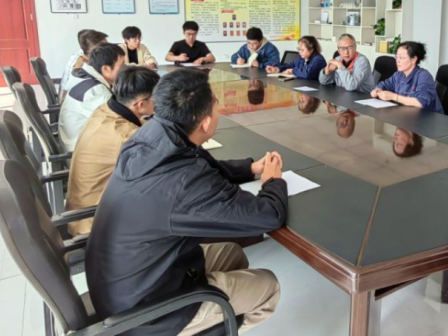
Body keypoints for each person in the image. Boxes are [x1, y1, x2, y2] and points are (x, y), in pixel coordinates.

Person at [86, 68, 287, 336]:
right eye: (216, 104)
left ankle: (213, 316)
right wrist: (273, 181)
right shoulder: (184, 181)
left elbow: (202, 166)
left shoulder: (152, 134)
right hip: (146, 314)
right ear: (205, 122)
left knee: (232, 253)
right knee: (268, 287)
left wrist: (250, 169)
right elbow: (269, 215)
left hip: (124, 283)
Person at [66, 66, 159, 236]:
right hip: (94, 222)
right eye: (158, 98)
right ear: (141, 104)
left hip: (84, 208)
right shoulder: (125, 136)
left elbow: (144, 128)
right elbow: (161, 164)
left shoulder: (105, 110)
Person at [59, 43, 125, 150]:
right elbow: (118, 124)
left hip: (74, 141)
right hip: (79, 152)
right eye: (122, 66)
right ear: (106, 69)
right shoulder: (97, 92)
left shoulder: (84, 76)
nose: (124, 70)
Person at [371, 41, 443, 114]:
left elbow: (420, 103)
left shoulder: (423, 76)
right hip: (407, 115)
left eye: (401, 57)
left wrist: (393, 96)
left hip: (428, 117)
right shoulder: (398, 75)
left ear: (413, 59)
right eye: (396, 57)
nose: (398, 61)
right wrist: (377, 90)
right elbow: (383, 85)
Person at [61, 30, 108, 97]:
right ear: (96, 50)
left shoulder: (81, 58)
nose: (109, 50)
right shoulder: (83, 66)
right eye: (106, 48)